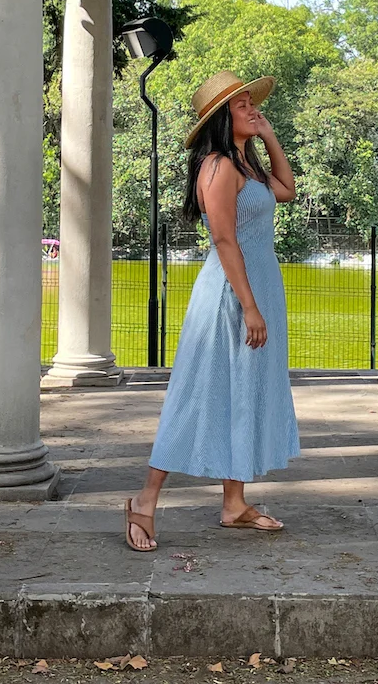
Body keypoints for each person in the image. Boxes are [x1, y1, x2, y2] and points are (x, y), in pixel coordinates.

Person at [124, 69, 301, 552]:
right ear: (223, 117)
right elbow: (224, 239)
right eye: (242, 105)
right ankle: (144, 501)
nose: (251, 109)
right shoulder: (219, 167)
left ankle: (234, 504)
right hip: (231, 296)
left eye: (251, 103)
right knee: (198, 394)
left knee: (241, 392)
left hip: (257, 288)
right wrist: (249, 307)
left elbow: (286, 189)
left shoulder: (246, 166)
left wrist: (269, 136)